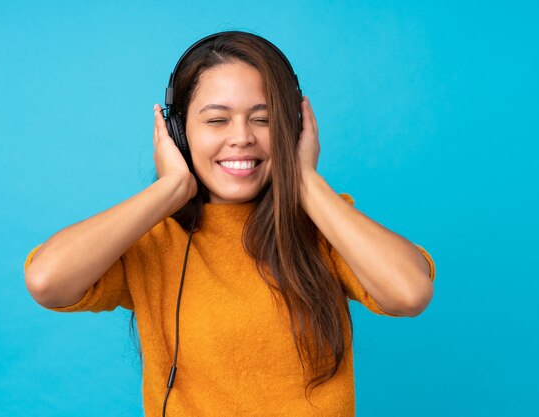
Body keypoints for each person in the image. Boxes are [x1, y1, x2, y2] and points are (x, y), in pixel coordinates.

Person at [23, 31, 436, 417]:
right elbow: (46, 280)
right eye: (217, 120)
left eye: (263, 119)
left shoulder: (326, 224)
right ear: (177, 132)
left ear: (293, 129)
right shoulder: (151, 238)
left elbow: (410, 292)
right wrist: (169, 190)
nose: (241, 138)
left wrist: (307, 183)